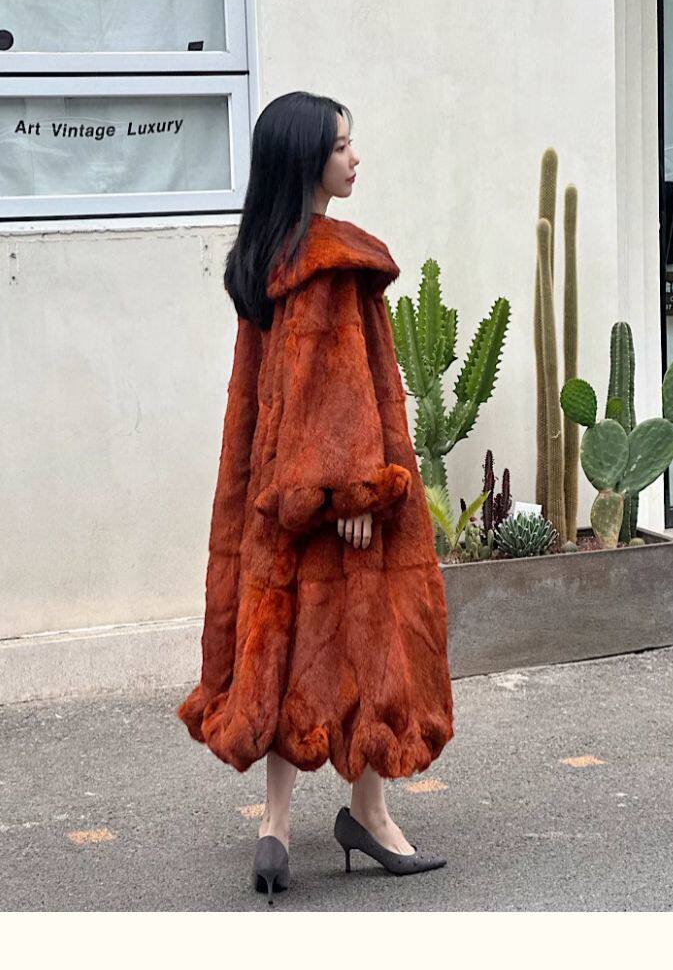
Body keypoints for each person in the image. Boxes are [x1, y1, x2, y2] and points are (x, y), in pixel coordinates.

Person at [177, 91, 453, 899]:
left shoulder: (267, 259)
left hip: (272, 495)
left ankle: (275, 830)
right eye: (339, 146)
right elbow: (333, 389)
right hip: (336, 501)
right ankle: (370, 815)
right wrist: (357, 492)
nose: (354, 157)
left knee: (284, 647)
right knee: (367, 642)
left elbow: (275, 395)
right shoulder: (330, 264)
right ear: (306, 162)